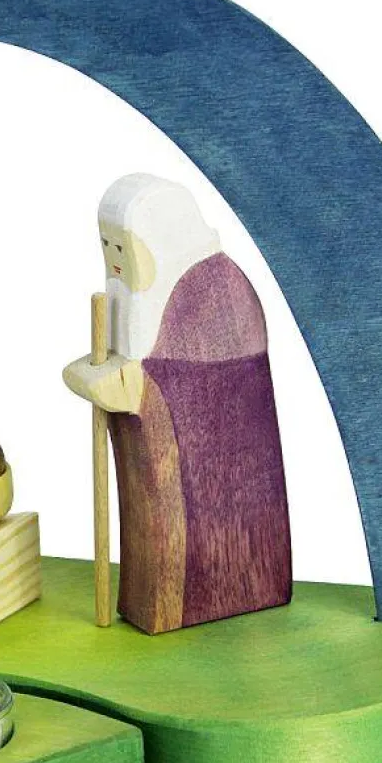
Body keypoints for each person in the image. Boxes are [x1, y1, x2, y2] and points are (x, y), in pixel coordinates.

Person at [64, 173, 291, 633]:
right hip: (159, 457)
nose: (115, 261)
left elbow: (197, 384)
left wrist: (130, 387)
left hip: (215, 476)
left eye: (122, 248)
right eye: (108, 247)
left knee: (189, 553)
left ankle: (208, 597)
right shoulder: (145, 293)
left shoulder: (216, 285)